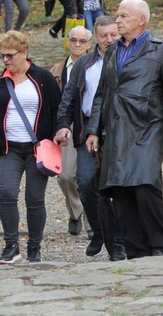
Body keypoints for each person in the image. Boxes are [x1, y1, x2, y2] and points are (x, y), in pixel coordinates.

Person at [85, 0, 163, 259]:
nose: (117, 20)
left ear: (141, 20)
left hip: (147, 127)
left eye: (123, 16)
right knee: (120, 188)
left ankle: (161, 246)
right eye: (117, 15)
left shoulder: (162, 50)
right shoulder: (111, 51)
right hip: (115, 128)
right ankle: (136, 252)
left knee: (145, 184)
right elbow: (102, 93)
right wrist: (92, 131)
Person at [0, 31, 60, 264]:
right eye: (2, 55)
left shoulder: (43, 77)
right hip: (9, 148)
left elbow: (57, 110)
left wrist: (60, 132)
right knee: (6, 194)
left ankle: (34, 246)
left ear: (24, 53)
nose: (5, 60)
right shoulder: (1, 81)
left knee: (34, 198)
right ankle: (11, 246)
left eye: (10, 55)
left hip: (37, 148)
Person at [54, 15, 126, 261]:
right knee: (84, 182)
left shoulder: (127, 60)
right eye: (104, 35)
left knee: (115, 186)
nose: (108, 40)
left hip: (119, 130)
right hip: (86, 130)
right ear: (96, 37)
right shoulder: (84, 63)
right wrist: (63, 125)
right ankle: (97, 230)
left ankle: (117, 241)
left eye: (113, 35)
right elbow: (68, 98)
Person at [49, 26, 91, 238]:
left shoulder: (97, 66)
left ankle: (91, 218)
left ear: (89, 44)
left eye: (82, 41)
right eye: (73, 40)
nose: (77, 44)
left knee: (88, 175)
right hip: (65, 126)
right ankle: (75, 212)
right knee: (65, 176)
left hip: (90, 124)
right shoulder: (57, 70)